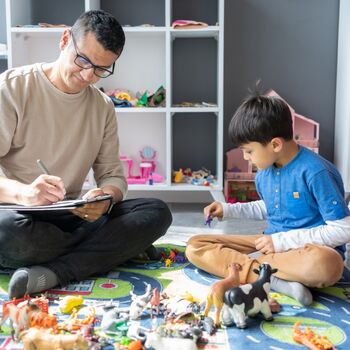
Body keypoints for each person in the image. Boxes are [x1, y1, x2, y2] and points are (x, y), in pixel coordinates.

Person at [0, 10, 172, 299]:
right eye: (83, 61)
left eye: (102, 69)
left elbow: (113, 175)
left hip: (71, 214)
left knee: (156, 212)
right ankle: (113, 249)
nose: (88, 75)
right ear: (65, 39)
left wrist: (105, 197)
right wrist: (25, 193)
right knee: (8, 234)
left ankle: (54, 272)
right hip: (17, 216)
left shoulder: (102, 106)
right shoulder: (13, 88)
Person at [186, 90, 350, 306]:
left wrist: (280, 242)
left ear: (275, 145)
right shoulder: (265, 172)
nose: (245, 157)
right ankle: (276, 280)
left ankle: (256, 269)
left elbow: (343, 229)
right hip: (269, 246)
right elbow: (271, 207)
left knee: (327, 265)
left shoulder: (316, 172)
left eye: (249, 151)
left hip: (306, 252)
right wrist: (228, 209)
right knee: (195, 246)